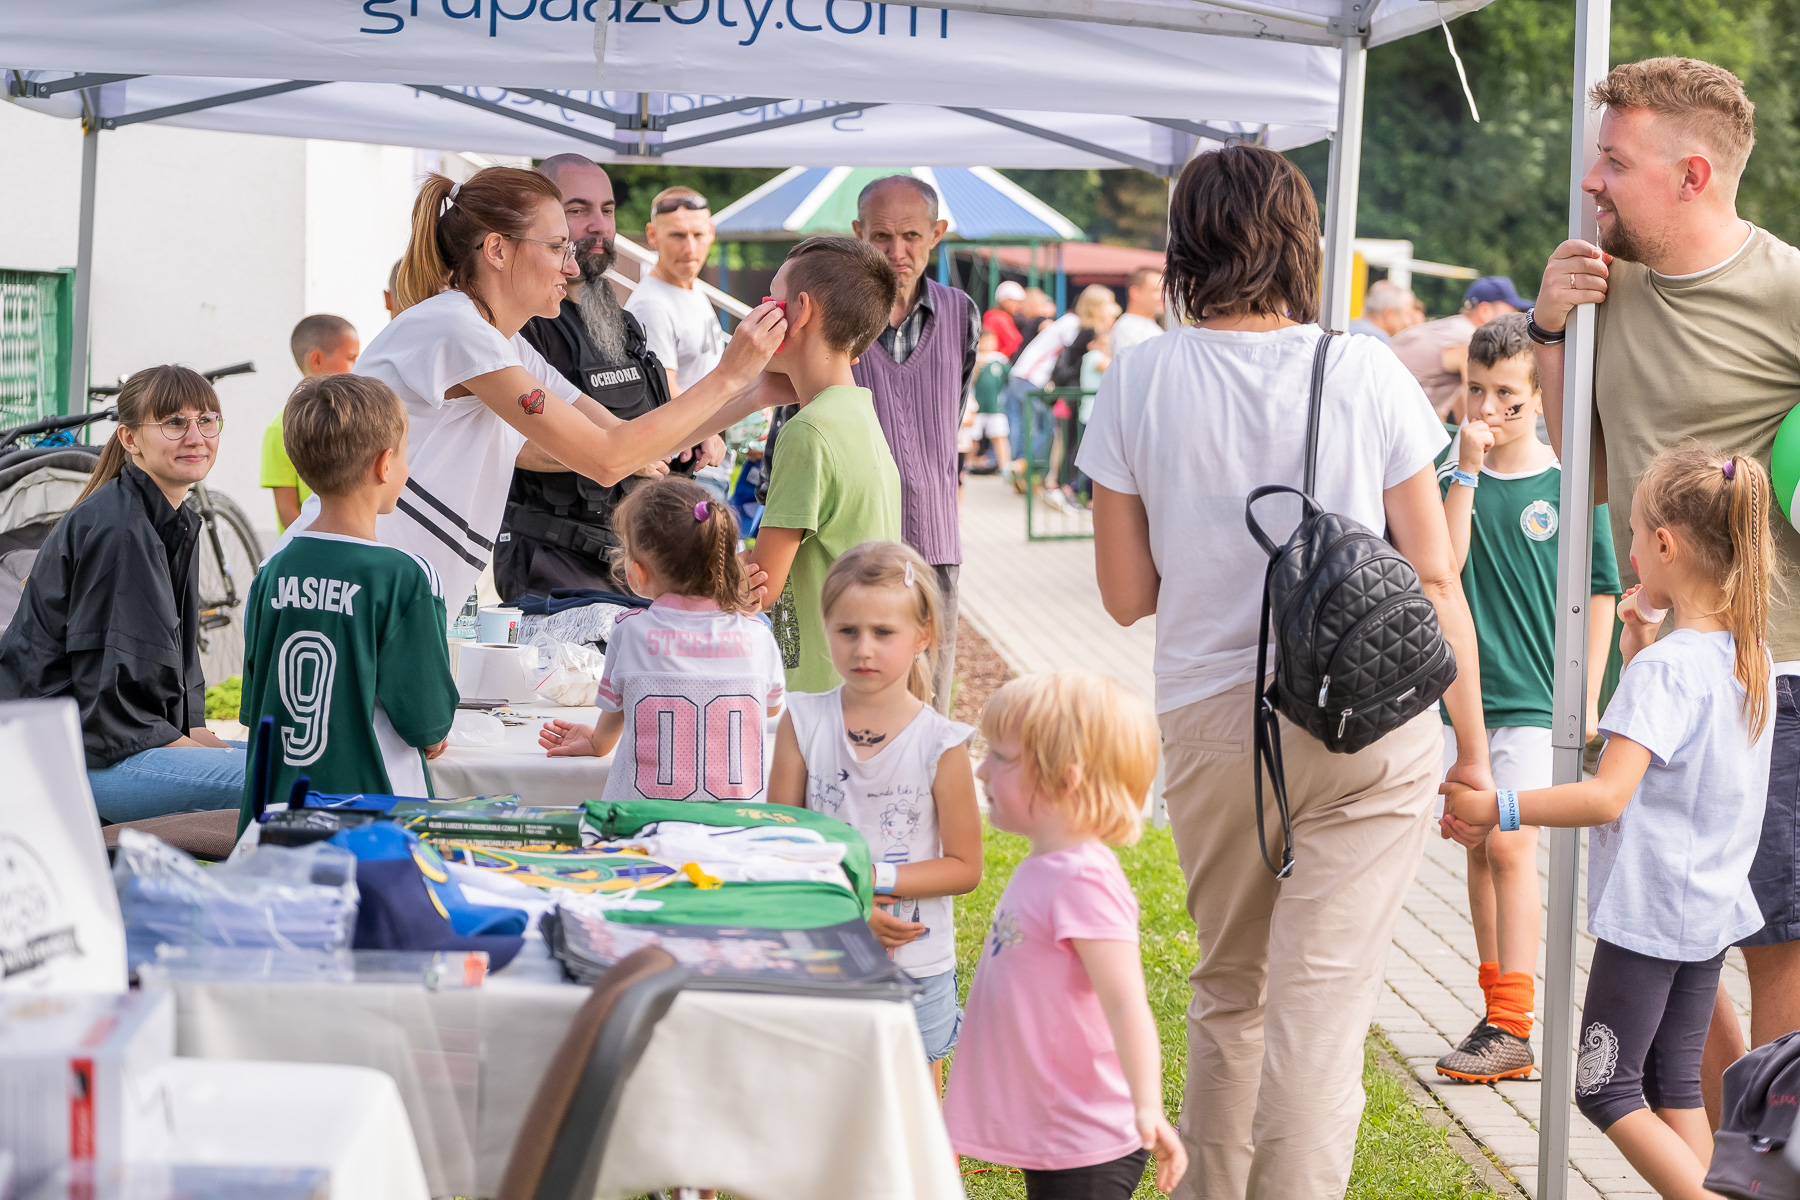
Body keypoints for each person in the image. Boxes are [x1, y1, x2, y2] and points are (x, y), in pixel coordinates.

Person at [1077, 144, 1490, 1200]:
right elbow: (1433, 577)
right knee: (1322, 1005)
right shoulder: (1361, 370)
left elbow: (1124, 594)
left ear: (1185, 244)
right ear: (1302, 243)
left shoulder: (1139, 372)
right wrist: (1474, 753)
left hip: (1216, 716)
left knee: (1230, 989)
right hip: (1377, 721)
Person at [1531, 56, 1800, 1124]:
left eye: (1615, 162)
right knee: (1668, 930)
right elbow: (1581, 469)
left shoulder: (1787, 287)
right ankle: (1724, 1160)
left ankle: (1773, 1161)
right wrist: (1552, 330)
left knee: (1776, 936)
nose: (1594, 182)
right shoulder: (1605, 284)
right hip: (1657, 671)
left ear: (1693, 174)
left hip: (1771, 670)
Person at [1443, 444, 1776, 1200]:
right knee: (1673, 1086)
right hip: (1705, 911)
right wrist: (1634, 645)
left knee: (1605, 1088)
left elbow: (1605, 796)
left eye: (1632, 533)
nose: (1626, 548)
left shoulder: (1667, 673)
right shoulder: (1743, 652)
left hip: (1651, 915)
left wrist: (1499, 806)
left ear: (1666, 546)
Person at [272, 167, 785, 615]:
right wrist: (727, 376)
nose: (570, 264)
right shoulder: (461, 330)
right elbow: (607, 457)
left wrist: (757, 391)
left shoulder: (501, 342)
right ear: (497, 249)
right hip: (343, 587)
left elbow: (632, 435)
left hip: (377, 587)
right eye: (557, 246)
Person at [1431, 313, 1621, 1084]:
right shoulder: (1453, 481)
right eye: (1476, 389)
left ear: (1540, 398)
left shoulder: (1571, 487)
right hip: (1469, 704)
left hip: (1541, 699)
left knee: (1510, 841)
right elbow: (1446, 563)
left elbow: (1603, 591)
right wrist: (1466, 469)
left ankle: (1514, 1021)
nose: (1487, 406)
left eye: (1506, 392)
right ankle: (1496, 1011)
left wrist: (1588, 696)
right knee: (1480, 846)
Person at [946, 671, 1187, 1199]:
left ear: (1064, 779)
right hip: (1057, 1129)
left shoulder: (1084, 879)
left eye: (1001, 757)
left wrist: (1147, 1106)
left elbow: (1126, 1003)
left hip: (1090, 1139)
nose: (982, 769)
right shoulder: (1045, 862)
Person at [768, 540, 981, 1080]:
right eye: (848, 630)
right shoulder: (802, 720)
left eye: (883, 633)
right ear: (826, 628)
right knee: (823, 1089)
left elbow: (964, 867)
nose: (864, 648)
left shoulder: (942, 743)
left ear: (924, 634)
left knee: (915, 1110)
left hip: (917, 964)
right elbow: (778, 842)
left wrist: (872, 880)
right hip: (819, 944)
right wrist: (849, 908)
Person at [0, 366, 245, 819]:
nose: (196, 436)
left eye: (207, 419)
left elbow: (180, 660)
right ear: (130, 439)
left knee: (288, 768)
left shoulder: (173, 517)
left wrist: (195, 729)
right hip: (69, 758)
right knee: (276, 783)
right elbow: (109, 701)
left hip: (106, 742)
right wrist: (195, 750)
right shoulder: (119, 529)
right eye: (174, 422)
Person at [237, 374, 457, 827]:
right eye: (406, 453)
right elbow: (428, 722)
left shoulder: (269, 572)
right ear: (384, 464)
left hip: (274, 813)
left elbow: (254, 706)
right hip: (371, 819)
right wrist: (435, 729)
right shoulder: (405, 577)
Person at [497, 155, 720, 600]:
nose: (599, 226)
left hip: (638, 567)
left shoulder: (623, 321)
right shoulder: (517, 325)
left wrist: (697, 435)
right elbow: (507, 444)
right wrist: (621, 453)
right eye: (577, 210)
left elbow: (650, 423)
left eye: (608, 209)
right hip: (556, 572)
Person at [538, 477, 784, 801]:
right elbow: (769, 709)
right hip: (733, 830)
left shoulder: (630, 630)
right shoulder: (757, 635)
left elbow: (616, 709)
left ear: (637, 572)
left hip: (641, 826)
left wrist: (598, 743)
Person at [742, 237, 903, 695]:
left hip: (815, 689)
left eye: (772, 297)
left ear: (803, 311)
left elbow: (761, 586)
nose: (761, 310)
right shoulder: (856, 412)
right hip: (856, 680)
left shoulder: (807, 431)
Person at [851, 174, 980, 716]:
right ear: (858, 234)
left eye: (910, 236)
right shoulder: (839, 315)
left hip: (934, 542)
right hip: (856, 541)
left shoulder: (961, 314)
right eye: (881, 236)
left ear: (936, 234)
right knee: (861, 698)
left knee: (928, 703)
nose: (896, 252)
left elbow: (947, 415)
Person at [623, 185, 729, 397]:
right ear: (652, 235)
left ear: (711, 233)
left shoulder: (692, 288)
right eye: (677, 236)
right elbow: (666, 398)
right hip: (695, 431)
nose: (690, 248)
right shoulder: (650, 306)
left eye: (697, 234)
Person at [262, 314, 358, 532]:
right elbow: (287, 511)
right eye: (351, 357)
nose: (357, 366)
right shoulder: (279, 430)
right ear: (317, 360)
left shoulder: (353, 420)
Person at [1390, 275, 1528, 421]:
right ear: (1485, 311)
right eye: (1512, 311)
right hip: (1393, 416)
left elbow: (1462, 394)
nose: (1516, 317)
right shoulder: (1470, 339)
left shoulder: (1453, 328)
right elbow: (1475, 399)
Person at [1044, 286, 1120, 511]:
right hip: (1077, 395)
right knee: (1075, 443)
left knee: (1071, 442)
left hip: (1076, 394)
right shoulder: (1089, 331)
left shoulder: (1086, 329)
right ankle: (1068, 488)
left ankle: (1062, 484)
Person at [968, 329, 1013, 479]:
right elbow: (969, 383)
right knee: (972, 438)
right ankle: (966, 465)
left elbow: (1008, 380)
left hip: (995, 407)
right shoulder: (974, 359)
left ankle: (1005, 467)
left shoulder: (1000, 360)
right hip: (977, 407)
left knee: (999, 436)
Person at [1108, 267, 1166, 359]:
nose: (1163, 296)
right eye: (1155, 290)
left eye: (1164, 290)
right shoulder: (1127, 329)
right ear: (1135, 292)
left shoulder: (1147, 326)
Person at [1346, 279, 1421, 342]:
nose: (1408, 323)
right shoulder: (1380, 341)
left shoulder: (1347, 327)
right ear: (1389, 315)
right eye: (1407, 314)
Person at [983, 279, 1027, 359]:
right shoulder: (998, 317)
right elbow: (1015, 343)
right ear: (1004, 301)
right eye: (1015, 302)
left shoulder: (995, 315)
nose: (1019, 306)